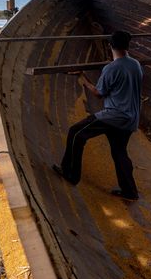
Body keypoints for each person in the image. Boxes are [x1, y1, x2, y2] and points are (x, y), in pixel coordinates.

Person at [53, 31, 143, 201]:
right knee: (119, 152)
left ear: (110, 46)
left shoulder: (111, 68)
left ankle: (70, 173)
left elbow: (99, 93)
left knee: (76, 133)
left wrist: (82, 77)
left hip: (113, 116)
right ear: (127, 46)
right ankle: (130, 192)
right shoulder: (135, 65)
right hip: (131, 118)